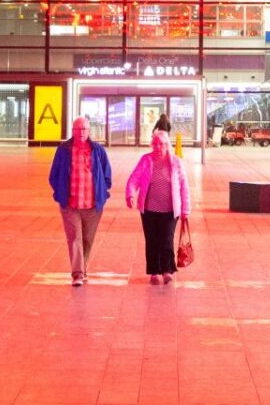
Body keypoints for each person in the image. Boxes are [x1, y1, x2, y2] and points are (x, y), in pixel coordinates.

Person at [48, 116, 113, 286]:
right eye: (78, 129)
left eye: (84, 129)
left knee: (87, 240)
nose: (81, 132)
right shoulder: (63, 150)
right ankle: (77, 274)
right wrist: (60, 192)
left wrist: (102, 192)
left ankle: (82, 269)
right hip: (70, 205)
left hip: (93, 206)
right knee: (75, 239)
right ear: (73, 131)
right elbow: (53, 176)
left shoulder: (98, 150)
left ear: (89, 131)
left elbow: (107, 175)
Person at [125, 129, 192, 285]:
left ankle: (167, 270)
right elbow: (134, 179)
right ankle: (154, 271)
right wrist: (130, 194)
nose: (158, 147)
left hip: (170, 211)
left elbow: (184, 187)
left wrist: (185, 209)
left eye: (161, 144)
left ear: (167, 145)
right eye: (155, 144)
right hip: (149, 210)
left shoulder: (176, 163)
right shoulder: (146, 160)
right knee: (152, 240)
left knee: (167, 239)